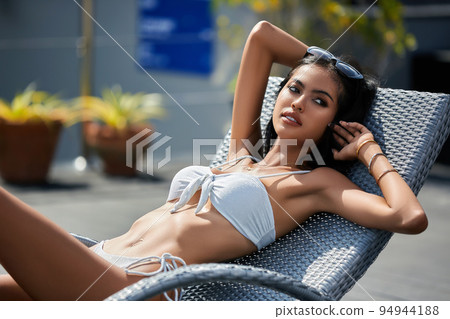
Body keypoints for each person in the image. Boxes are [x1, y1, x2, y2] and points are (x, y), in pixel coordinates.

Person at [0, 21, 427, 301]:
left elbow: (408, 216)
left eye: (320, 100)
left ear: (337, 121)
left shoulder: (314, 186)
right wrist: (324, 62)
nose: (297, 103)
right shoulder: (242, 152)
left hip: (129, 292)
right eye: (293, 88)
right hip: (97, 257)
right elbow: (261, 37)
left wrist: (369, 150)